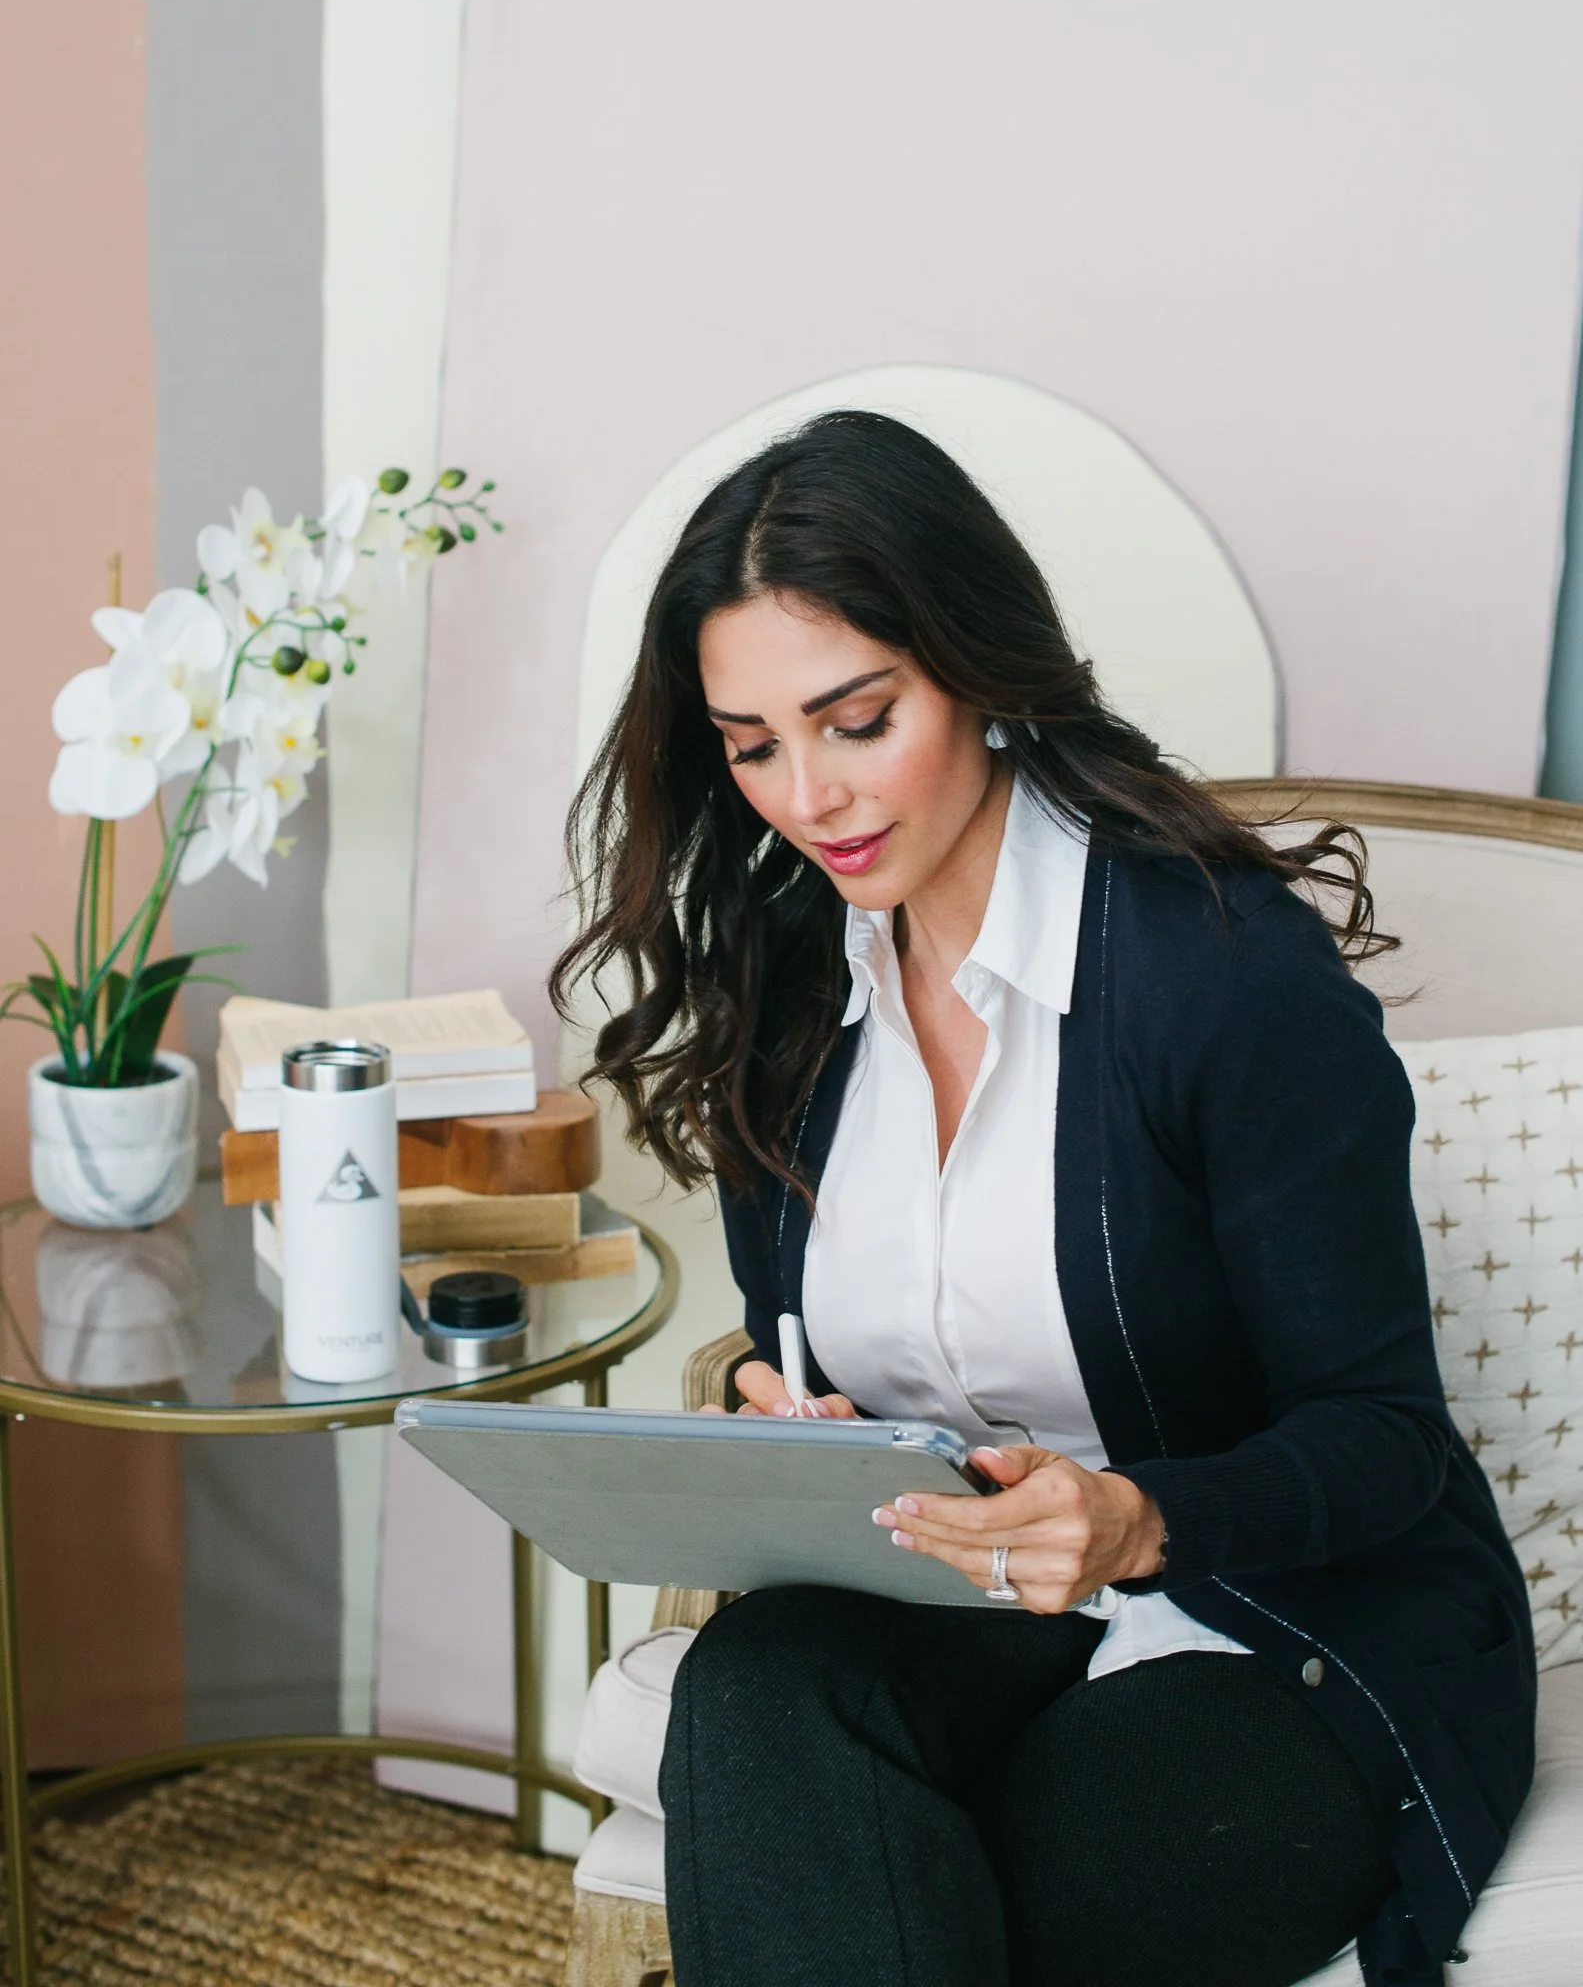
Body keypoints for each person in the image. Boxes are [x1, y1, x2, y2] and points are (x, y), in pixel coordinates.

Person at [551, 411, 1534, 1987]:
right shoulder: (785, 978)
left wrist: (1134, 1517)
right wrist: (763, 1400)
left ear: (974, 671)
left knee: (959, 1884)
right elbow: (796, 1328)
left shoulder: (1217, 978)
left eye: (855, 719)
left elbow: (1383, 1439)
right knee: (758, 1694)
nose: (809, 795)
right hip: (943, 1597)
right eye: (750, 746)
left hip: (1266, 1625)